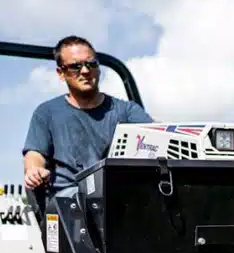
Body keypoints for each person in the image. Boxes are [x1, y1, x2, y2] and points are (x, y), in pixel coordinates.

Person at [22, 35, 153, 193]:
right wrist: (34, 170)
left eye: (91, 64)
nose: (85, 71)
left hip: (116, 195)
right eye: (75, 66)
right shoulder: (47, 112)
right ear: (61, 73)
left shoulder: (127, 110)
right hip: (69, 198)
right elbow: (35, 153)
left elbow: (156, 136)